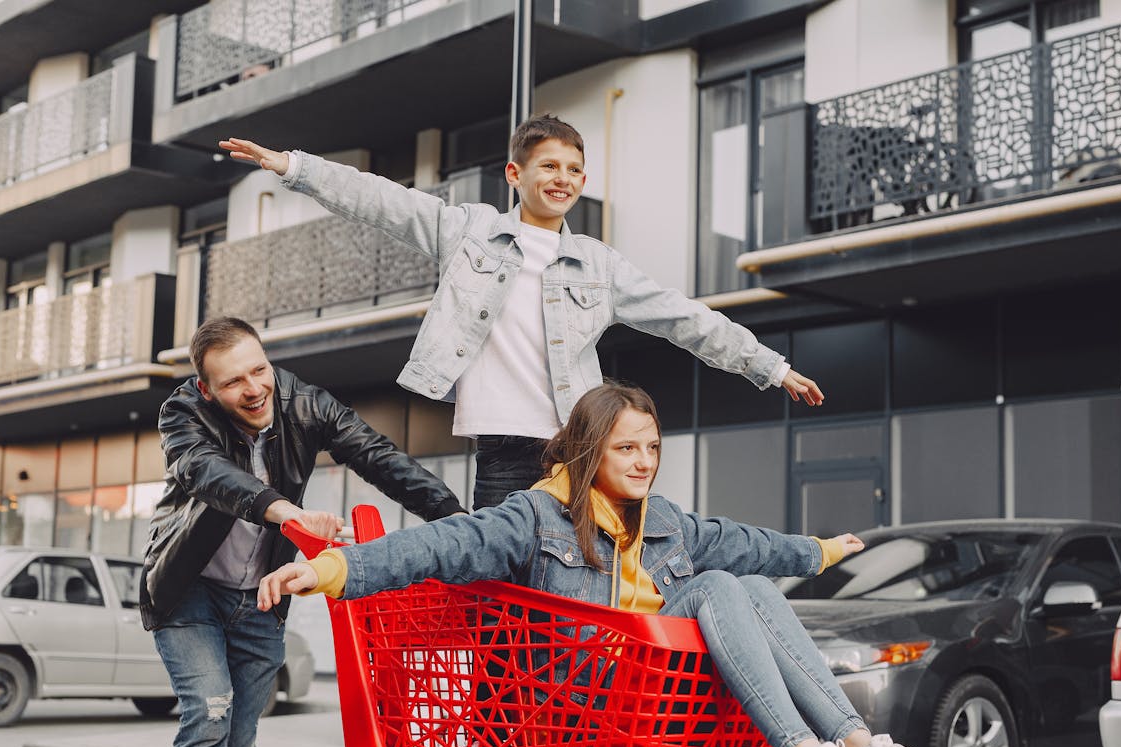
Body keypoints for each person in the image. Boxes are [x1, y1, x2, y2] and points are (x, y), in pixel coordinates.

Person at [257, 381, 960, 747]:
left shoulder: (666, 522)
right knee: (718, 585)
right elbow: (442, 544)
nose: (644, 459)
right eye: (627, 446)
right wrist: (333, 568)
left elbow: (745, 543)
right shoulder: (534, 517)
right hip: (575, 698)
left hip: (654, 695)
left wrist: (821, 550)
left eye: (652, 445)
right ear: (591, 449)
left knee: (745, 580)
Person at [219, 114, 825, 510]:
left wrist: (768, 367)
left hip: (577, 445)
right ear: (516, 174)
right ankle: (501, 711)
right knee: (502, 599)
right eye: (548, 166)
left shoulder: (599, 264)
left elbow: (683, 317)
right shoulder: (471, 233)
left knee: (578, 595)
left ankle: (570, 708)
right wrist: (294, 168)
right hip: (503, 453)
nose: (562, 179)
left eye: (573, 170)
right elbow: (385, 202)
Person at [141, 316, 464, 747]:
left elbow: (378, 458)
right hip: (188, 591)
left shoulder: (307, 403)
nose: (254, 389)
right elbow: (206, 472)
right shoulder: (182, 413)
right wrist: (286, 511)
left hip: (263, 598)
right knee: (209, 713)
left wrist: (458, 524)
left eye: (259, 370)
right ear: (207, 389)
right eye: (233, 383)